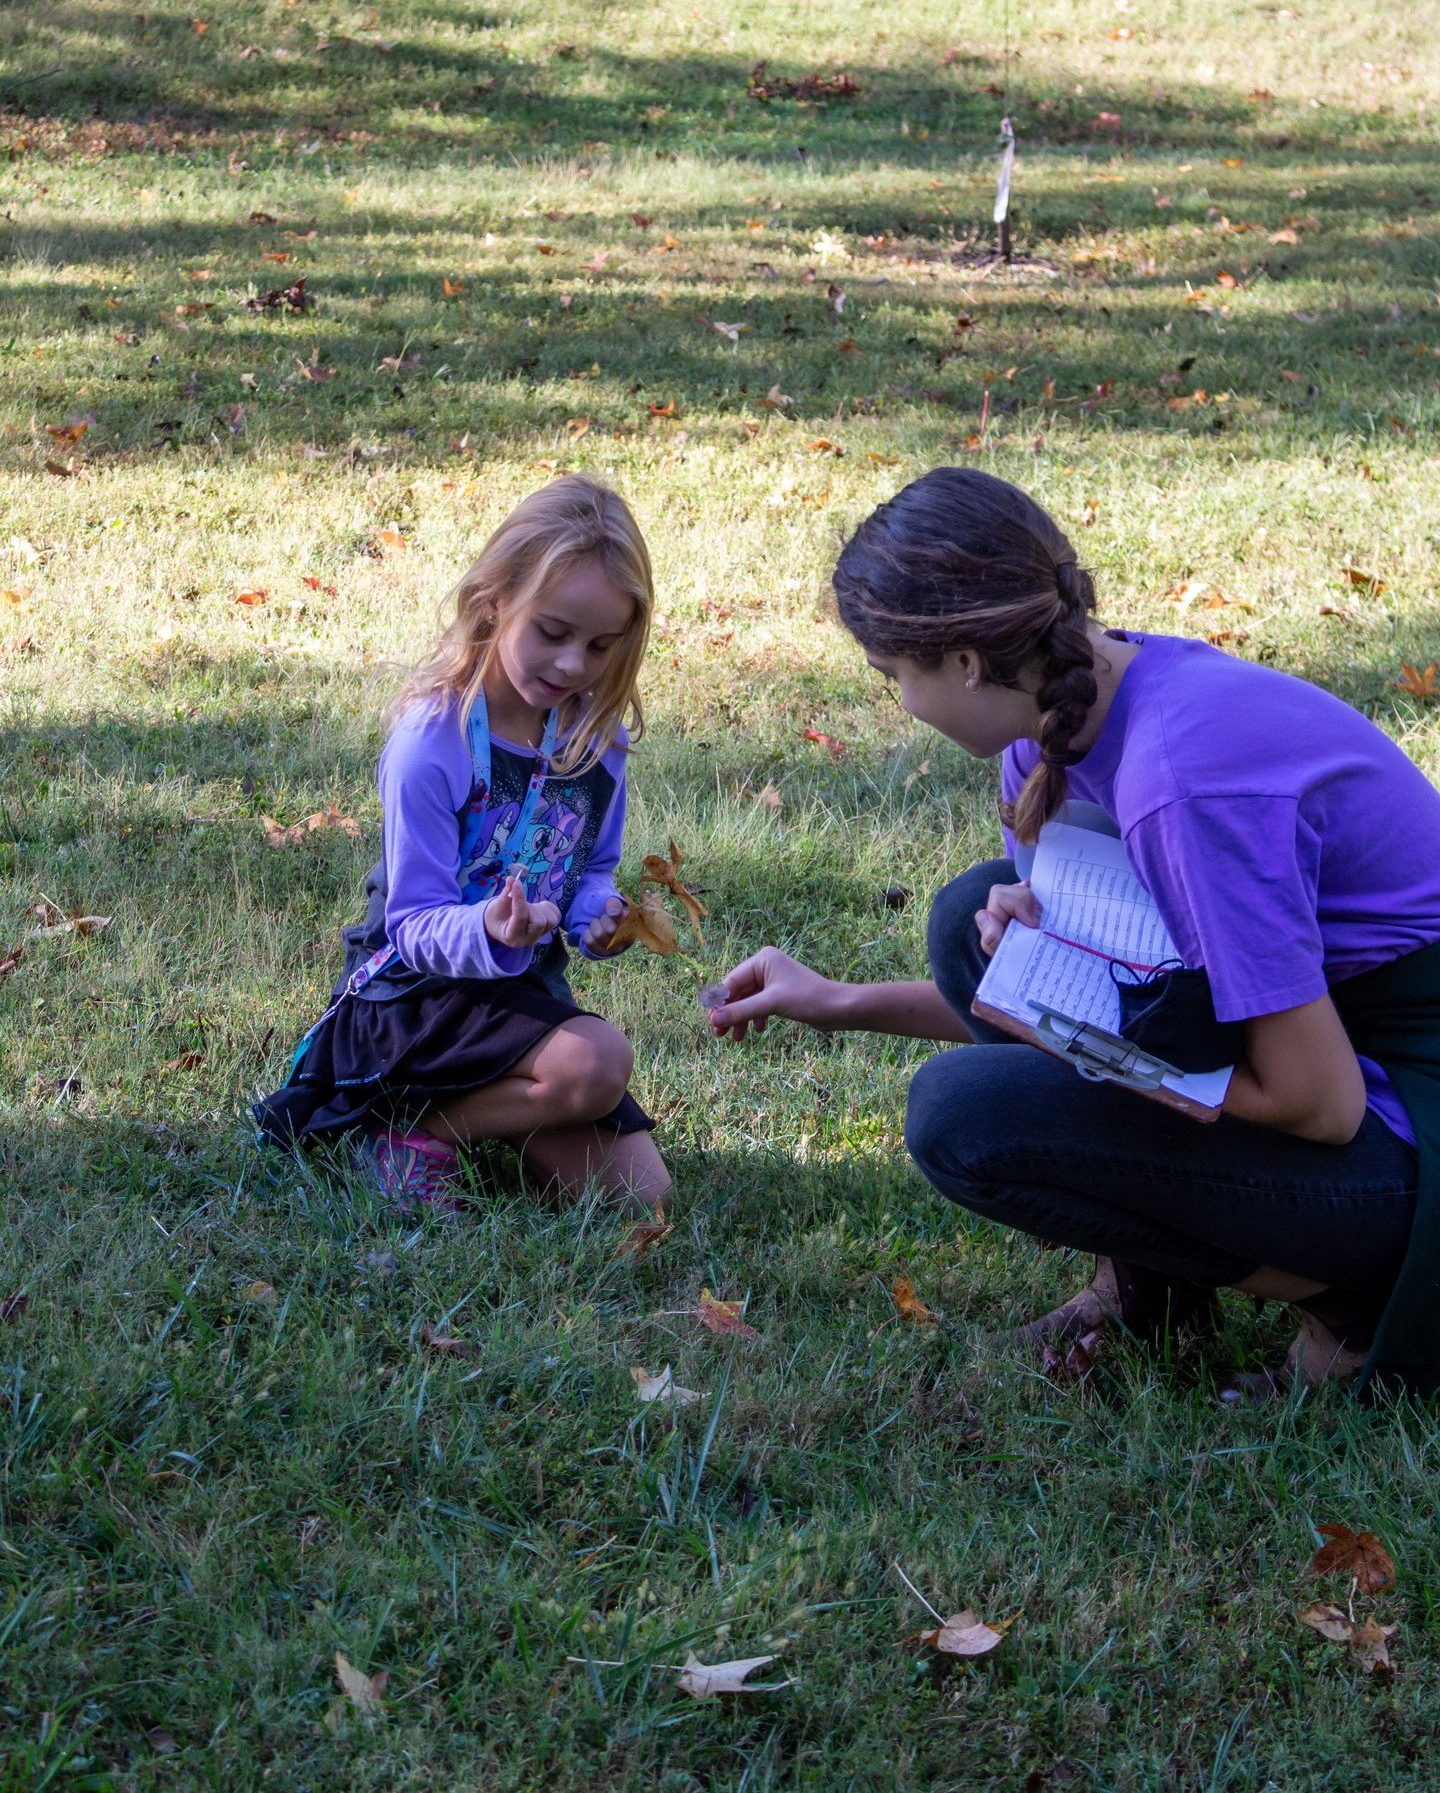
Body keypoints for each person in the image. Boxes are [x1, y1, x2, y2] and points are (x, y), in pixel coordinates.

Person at [710, 466, 1440, 1395]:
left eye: (894, 674)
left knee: (965, 1116)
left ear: (966, 663)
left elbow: (1320, 1103)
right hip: (1336, 1033)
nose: (901, 702)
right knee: (967, 926)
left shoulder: (1179, 783)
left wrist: (1134, 1065)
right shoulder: (1062, 707)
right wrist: (841, 1000)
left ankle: (1352, 1298)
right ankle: (1150, 1289)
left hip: (1403, 1105)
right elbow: (1107, 987)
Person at [254, 477, 671, 1216]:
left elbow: (589, 867)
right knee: (598, 1061)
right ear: (493, 601)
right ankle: (395, 1126)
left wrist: (599, 917)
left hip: (518, 1000)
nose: (574, 664)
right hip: (411, 1002)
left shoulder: (598, 742)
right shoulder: (433, 739)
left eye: (600, 644)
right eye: (552, 631)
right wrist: (486, 927)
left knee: (642, 1191)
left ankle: (461, 1120)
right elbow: (412, 925)